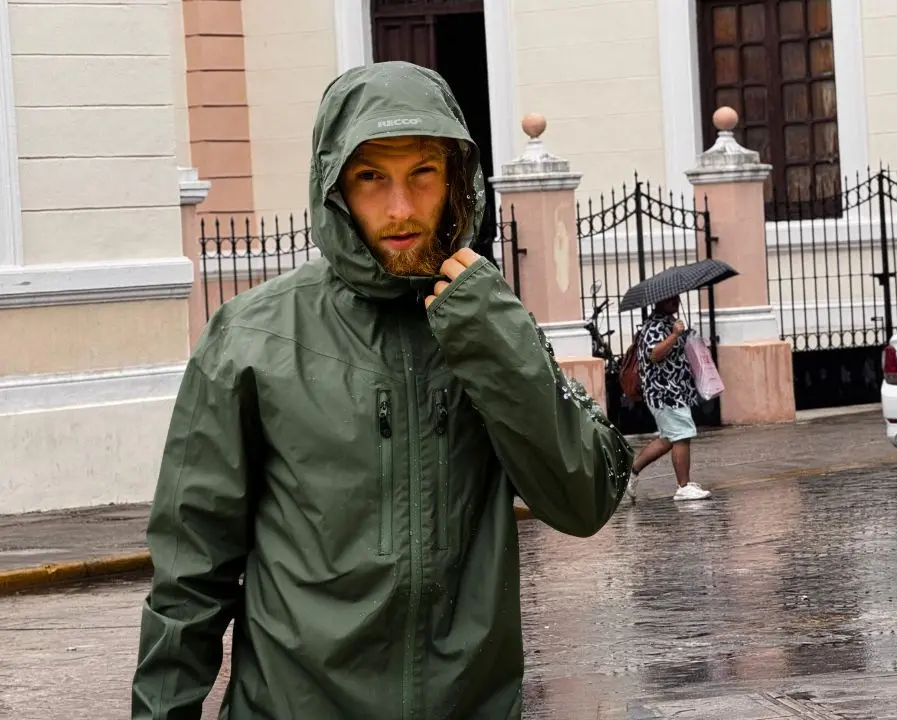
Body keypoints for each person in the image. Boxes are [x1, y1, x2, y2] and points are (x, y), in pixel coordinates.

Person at [130, 62, 634, 719]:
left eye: (422, 174)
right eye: (372, 178)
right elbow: (188, 575)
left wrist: (495, 341)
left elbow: (586, 497)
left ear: (457, 180)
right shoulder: (253, 337)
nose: (398, 209)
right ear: (335, 186)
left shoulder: (490, 323)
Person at [627, 295, 711, 502]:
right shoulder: (653, 326)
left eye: (677, 298)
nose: (675, 302)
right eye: (670, 299)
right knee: (682, 434)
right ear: (659, 301)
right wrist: (674, 335)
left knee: (668, 439)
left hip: (675, 391)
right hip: (664, 392)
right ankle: (683, 487)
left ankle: (631, 472)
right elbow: (654, 354)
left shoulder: (669, 324)